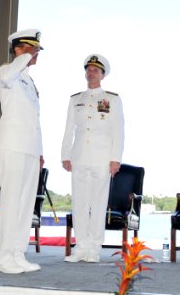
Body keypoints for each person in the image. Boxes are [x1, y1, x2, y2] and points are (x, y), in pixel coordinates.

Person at [61, 54, 124, 263]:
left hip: (102, 158)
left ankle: (94, 248)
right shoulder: (75, 100)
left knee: (97, 204)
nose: (91, 73)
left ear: (103, 75)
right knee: (79, 203)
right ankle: (80, 247)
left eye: (95, 70)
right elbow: (69, 129)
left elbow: (118, 130)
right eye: (88, 69)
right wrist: (65, 154)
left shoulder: (112, 99)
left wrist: (116, 158)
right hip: (79, 156)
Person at [0, 29, 45, 274]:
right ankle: (3, 259)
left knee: (24, 206)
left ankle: (17, 254)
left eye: (36, 50)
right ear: (18, 49)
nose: (36, 55)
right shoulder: (7, 72)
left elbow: (35, 120)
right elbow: (8, 74)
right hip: (12, 145)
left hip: (29, 149)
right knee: (12, 203)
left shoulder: (30, 82)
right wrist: (24, 56)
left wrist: (40, 151)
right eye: (32, 49)